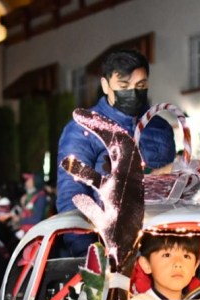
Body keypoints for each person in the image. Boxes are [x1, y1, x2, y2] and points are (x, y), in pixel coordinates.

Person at [55, 48, 175, 256]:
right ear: (105, 85)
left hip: (160, 247)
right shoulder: (83, 129)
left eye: (140, 86)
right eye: (123, 86)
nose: (133, 93)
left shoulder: (160, 128)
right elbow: (71, 197)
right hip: (107, 247)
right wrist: (90, 255)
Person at [131, 234, 200, 300]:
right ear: (146, 264)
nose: (178, 263)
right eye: (167, 255)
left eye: (186, 256)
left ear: (195, 266)